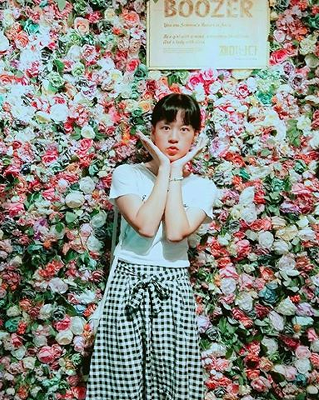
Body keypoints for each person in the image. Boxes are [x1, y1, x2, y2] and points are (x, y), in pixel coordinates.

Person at [85, 93, 218, 400]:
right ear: (153, 131)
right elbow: (145, 226)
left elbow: (175, 232)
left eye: (184, 129)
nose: (174, 137)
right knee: (120, 379)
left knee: (174, 379)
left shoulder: (203, 187)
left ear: (195, 136)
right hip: (127, 282)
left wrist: (174, 172)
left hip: (173, 286)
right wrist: (165, 169)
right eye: (166, 127)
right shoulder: (127, 174)